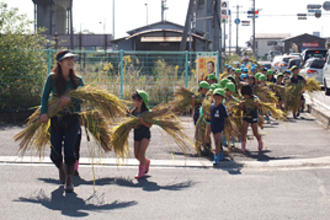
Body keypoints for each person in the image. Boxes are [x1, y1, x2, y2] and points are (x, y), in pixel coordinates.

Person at [40, 49, 84, 193]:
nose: (71, 61)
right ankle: (61, 168)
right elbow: (45, 97)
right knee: (55, 153)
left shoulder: (78, 80)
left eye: (72, 59)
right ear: (59, 63)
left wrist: (71, 99)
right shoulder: (52, 78)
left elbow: (85, 97)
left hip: (72, 118)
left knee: (70, 150)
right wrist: (44, 113)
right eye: (67, 59)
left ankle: (69, 179)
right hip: (56, 118)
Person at [131, 90, 153, 179]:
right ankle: (146, 162)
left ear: (141, 101)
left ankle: (141, 172)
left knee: (141, 153)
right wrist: (134, 126)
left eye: (135, 100)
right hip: (137, 135)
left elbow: (150, 125)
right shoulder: (133, 113)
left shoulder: (147, 113)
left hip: (145, 134)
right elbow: (132, 125)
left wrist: (142, 122)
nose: (133, 102)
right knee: (136, 155)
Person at [210, 88, 232, 165]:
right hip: (213, 126)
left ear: (222, 99)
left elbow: (227, 117)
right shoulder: (211, 106)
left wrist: (230, 125)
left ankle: (216, 158)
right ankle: (220, 154)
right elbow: (210, 118)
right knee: (215, 142)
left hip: (220, 127)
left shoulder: (222, 107)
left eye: (219, 98)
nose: (217, 100)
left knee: (217, 142)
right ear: (213, 97)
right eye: (216, 98)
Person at [239, 85, 263, 154]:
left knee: (255, 132)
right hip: (246, 116)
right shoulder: (243, 99)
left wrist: (257, 104)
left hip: (253, 116)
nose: (245, 96)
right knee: (243, 131)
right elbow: (241, 109)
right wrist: (241, 105)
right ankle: (243, 146)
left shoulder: (255, 98)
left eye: (246, 95)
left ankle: (259, 141)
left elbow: (260, 107)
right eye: (244, 95)